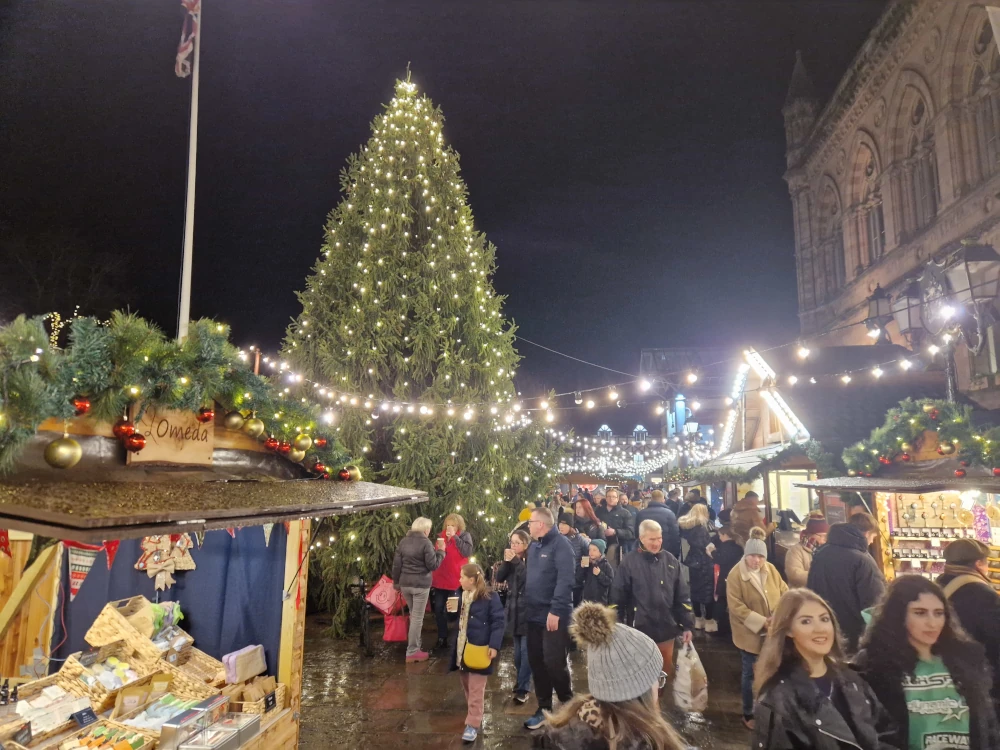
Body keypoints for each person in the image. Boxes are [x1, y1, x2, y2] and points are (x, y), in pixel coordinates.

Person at [854, 575, 1000, 750]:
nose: (932, 623)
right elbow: (870, 732)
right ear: (898, 615)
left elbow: (987, 725)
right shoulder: (873, 665)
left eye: (938, 613)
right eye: (920, 613)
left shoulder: (966, 659)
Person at [752, 588, 897, 749]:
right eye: (806, 621)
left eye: (824, 619)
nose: (820, 628)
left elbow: (886, 732)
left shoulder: (852, 679)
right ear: (788, 631)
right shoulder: (777, 699)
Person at [534, 602, 686, 750]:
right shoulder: (650, 742)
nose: (658, 686)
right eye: (657, 678)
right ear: (639, 692)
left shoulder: (559, 735)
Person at [612, 519, 694, 683]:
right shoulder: (629, 562)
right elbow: (617, 597)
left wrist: (687, 625)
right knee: (640, 677)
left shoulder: (671, 562)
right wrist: (617, 627)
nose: (656, 543)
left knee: (663, 674)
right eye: (652, 539)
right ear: (642, 538)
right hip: (638, 632)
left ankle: (658, 699)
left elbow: (682, 596)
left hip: (666, 630)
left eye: (659, 538)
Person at [727, 526, 788, 729]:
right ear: (746, 555)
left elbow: (784, 591)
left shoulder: (770, 569)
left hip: (773, 632)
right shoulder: (736, 575)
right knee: (750, 674)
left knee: (772, 672)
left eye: (761, 556)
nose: (757, 561)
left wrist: (779, 615)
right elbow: (736, 606)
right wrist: (762, 621)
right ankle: (749, 712)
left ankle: (770, 709)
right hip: (750, 634)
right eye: (753, 556)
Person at [522, 507, 576, 731]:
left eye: (530, 522)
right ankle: (543, 708)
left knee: (554, 662)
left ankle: (568, 703)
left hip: (553, 615)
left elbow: (566, 580)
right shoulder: (534, 546)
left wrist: (555, 610)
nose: (528, 526)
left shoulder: (562, 545)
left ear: (541, 524)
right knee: (536, 662)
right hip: (533, 614)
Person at [936, 538, 1000, 707]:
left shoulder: (938, 585)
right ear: (979, 564)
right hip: (977, 679)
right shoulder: (983, 594)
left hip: (943, 673)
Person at [807, 513, 885, 652]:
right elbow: (873, 603)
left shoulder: (821, 553)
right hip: (853, 636)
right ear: (867, 534)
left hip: (823, 628)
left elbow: (811, 589)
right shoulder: (862, 560)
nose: (872, 542)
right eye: (873, 537)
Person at [448, 563, 506, 743]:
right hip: (462, 649)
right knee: (467, 686)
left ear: (472, 580)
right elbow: (454, 620)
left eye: (462, 577)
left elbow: (498, 622)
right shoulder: (461, 594)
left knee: (476, 689)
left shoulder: (490, 597)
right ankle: (474, 714)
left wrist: (494, 645)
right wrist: (450, 611)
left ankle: (472, 724)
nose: (459, 580)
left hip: (479, 649)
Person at [390, 516, 446, 662]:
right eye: (429, 529)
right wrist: (441, 551)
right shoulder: (426, 543)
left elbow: (396, 565)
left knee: (413, 615)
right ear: (425, 529)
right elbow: (433, 565)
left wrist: (396, 583)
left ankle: (416, 645)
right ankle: (413, 651)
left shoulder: (403, 542)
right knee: (417, 618)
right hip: (420, 585)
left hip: (405, 584)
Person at [496, 529, 532, 704]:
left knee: (526, 653)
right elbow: (499, 577)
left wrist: (516, 562)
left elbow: (527, 579)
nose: (514, 545)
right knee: (517, 654)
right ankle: (522, 680)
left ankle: (524, 687)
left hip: (528, 610)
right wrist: (506, 562)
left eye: (518, 543)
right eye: (512, 542)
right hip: (514, 609)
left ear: (525, 544)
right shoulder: (512, 561)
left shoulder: (531, 559)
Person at [430, 514, 474, 650]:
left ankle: (458, 637)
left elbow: (467, 552)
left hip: (456, 580)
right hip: (440, 580)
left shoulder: (464, 536)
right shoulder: (441, 537)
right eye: (448, 525)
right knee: (438, 609)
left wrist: (455, 537)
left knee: (455, 609)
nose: (449, 528)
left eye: (453, 525)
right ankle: (442, 638)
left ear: (458, 526)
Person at [678, 503, 717, 633]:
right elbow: (705, 546)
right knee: (707, 591)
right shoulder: (701, 528)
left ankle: (698, 618)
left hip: (693, 562)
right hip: (704, 562)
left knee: (695, 590)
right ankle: (709, 620)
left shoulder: (687, 527)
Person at [711, 524, 743, 638]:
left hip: (724, 578)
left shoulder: (724, 547)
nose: (719, 538)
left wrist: (712, 552)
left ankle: (722, 630)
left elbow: (720, 559)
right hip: (736, 578)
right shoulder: (739, 547)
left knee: (721, 603)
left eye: (720, 535)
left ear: (725, 535)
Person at [784, 513, 829, 588]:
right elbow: (795, 575)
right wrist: (822, 577)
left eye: (826, 536)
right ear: (810, 534)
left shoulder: (828, 550)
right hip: (803, 593)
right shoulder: (795, 551)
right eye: (821, 536)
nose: (824, 539)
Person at [635, 489, 681, 559]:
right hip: (665, 550)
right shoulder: (669, 513)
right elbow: (675, 535)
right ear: (663, 500)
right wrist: (675, 553)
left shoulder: (641, 513)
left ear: (651, 499)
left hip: (646, 549)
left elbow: (637, 533)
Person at [558, 510, 590, 607]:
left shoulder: (579, 539)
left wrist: (581, 573)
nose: (561, 526)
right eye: (560, 524)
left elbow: (587, 555)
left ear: (570, 526)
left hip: (576, 583)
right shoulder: (556, 539)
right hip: (560, 581)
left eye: (564, 524)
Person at [603, 488, 637, 568]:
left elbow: (630, 533)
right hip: (601, 548)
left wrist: (615, 532)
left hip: (619, 549)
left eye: (613, 497)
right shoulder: (599, 511)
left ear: (617, 498)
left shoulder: (625, 513)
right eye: (609, 496)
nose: (611, 498)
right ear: (606, 498)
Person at [582, 539, 614, 605]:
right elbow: (581, 578)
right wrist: (582, 568)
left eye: (594, 550)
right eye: (590, 549)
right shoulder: (588, 564)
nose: (591, 552)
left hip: (600, 601)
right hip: (587, 600)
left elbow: (609, 581)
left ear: (600, 552)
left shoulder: (606, 565)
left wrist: (599, 574)